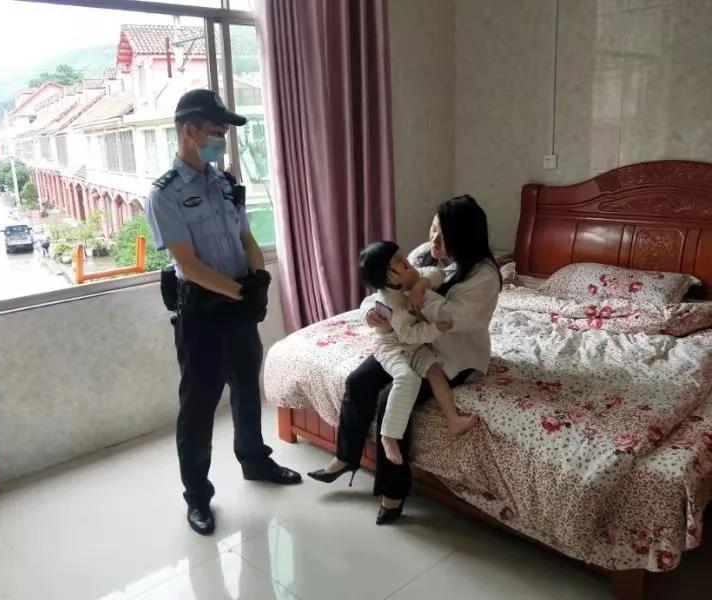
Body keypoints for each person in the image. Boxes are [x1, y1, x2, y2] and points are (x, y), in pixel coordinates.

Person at [145, 89, 301, 537]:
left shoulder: (226, 184)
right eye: (215, 131)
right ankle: (197, 495)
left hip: (238, 305)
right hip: (201, 313)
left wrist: (258, 279)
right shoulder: (165, 194)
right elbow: (187, 264)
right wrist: (239, 293)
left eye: (223, 132)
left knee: (247, 388)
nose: (221, 139)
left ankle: (254, 460)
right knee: (199, 406)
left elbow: (246, 239)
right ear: (189, 131)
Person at [308, 195, 501, 525]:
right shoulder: (424, 255)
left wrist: (418, 288)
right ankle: (346, 457)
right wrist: (371, 315)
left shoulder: (483, 276)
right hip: (408, 343)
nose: (434, 240)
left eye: (444, 236)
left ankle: (393, 490)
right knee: (359, 381)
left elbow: (452, 319)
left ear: (465, 238)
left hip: (452, 354)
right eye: (433, 229)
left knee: (391, 400)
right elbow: (383, 292)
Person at [359, 241, 479, 465]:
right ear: (389, 276)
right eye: (400, 262)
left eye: (404, 257)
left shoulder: (407, 279)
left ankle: (453, 420)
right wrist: (435, 329)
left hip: (414, 346)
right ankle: (388, 436)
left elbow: (437, 273)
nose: (407, 262)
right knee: (408, 379)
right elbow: (408, 335)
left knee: (435, 371)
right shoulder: (391, 302)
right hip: (393, 347)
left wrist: (419, 286)